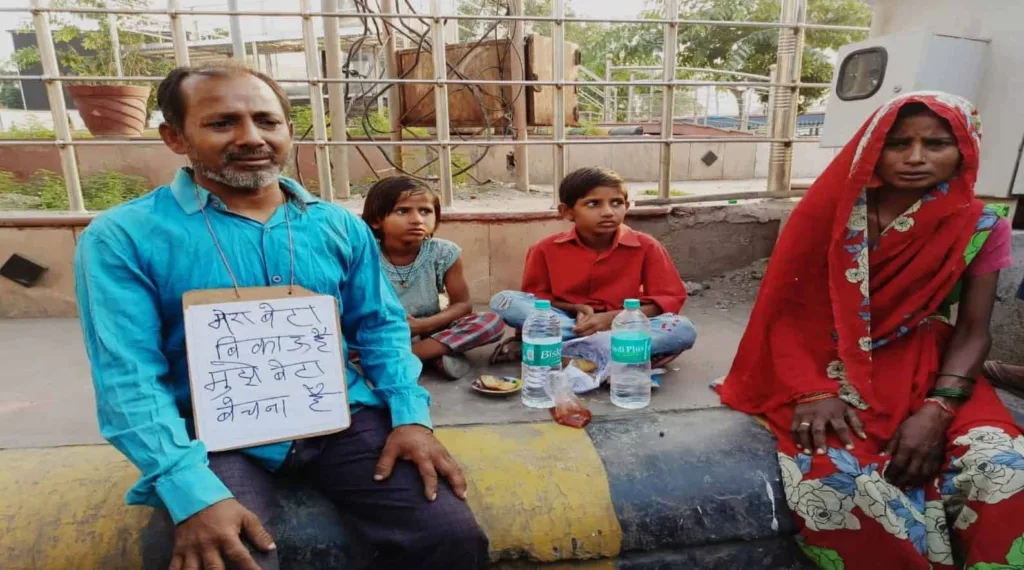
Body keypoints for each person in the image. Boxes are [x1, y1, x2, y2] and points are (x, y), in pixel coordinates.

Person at [73, 61, 487, 570]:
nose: (252, 138)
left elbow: (379, 327)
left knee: (449, 537)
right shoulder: (122, 237)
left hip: (342, 418)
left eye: (267, 122)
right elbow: (127, 377)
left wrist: (410, 418)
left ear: (289, 131)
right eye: (222, 123)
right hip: (211, 436)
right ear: (175, 137)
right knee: (226, 558)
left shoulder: (337, 225)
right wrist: (190, 490)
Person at [717, 92, 1024, 570]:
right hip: (823, 362)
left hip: (929, 366)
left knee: (1005, 467)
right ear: (873, 147)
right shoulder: (828, 213)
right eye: (898, 143)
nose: (916, 157)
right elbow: (787, 312)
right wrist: (813, 390)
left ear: (965, 148)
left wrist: (938, 411)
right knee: (840, 478)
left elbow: (972, 332)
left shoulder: (981, 225)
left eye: (937, 143)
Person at [489, 167, 697, 369]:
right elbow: (538, 299)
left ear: (627, 206)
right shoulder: (545, 249)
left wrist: (609, 319)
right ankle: (612, 353)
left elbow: (667, 299)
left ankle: (564, 350)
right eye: (593, 204)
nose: (608, 212)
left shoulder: (647, 247)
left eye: (616, 203)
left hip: (622, 325)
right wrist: (575, 309)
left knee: (682, 329)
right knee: (504, 300)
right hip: (567, 322)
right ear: (567, 212)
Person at [361, 176, 504, 379]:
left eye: (425, 211)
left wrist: (423, 325)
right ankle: (436, 353)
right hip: (383, 331)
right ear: (376, 220)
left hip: (430, 327)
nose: (417, 219)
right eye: (402, 211)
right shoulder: (365, 255)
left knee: (491, 322)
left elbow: (462, 305)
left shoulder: (444, 253)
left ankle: (406, 356)